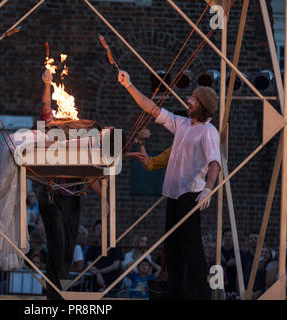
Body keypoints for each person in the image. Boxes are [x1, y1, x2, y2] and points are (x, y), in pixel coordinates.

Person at [118, 71, 221, 300]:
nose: (189, 100)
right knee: (172, 248)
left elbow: (215, 163)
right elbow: (153, 109)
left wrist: (208, 189)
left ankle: (201, 295)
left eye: (193, 99)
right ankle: (175, 293)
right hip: (174, 195)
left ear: (202, 105)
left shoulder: (208, 132)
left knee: (191, 247)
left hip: (190, 195)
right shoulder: (183, 124)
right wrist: (130, 85)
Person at [38, 69, 102, 300]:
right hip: (51, 195)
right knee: (58, 242)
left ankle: (60, 291)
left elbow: (89, 178)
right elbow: (46, 107)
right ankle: (52, 296)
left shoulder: (80, 147)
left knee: (69, 247)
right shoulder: (51, 129)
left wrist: (106, 197)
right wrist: (48, 83)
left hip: (71, 199)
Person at [85, 220, 123, 297]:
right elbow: (89, 265)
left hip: (112, 283)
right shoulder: (92, 247)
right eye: (97, 229)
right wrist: (98, 274)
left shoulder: (114, 246)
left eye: (101, 228)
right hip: (95, 283)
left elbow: (115, 265)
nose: (99, 230)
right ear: (94, 232)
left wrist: (99, 272)